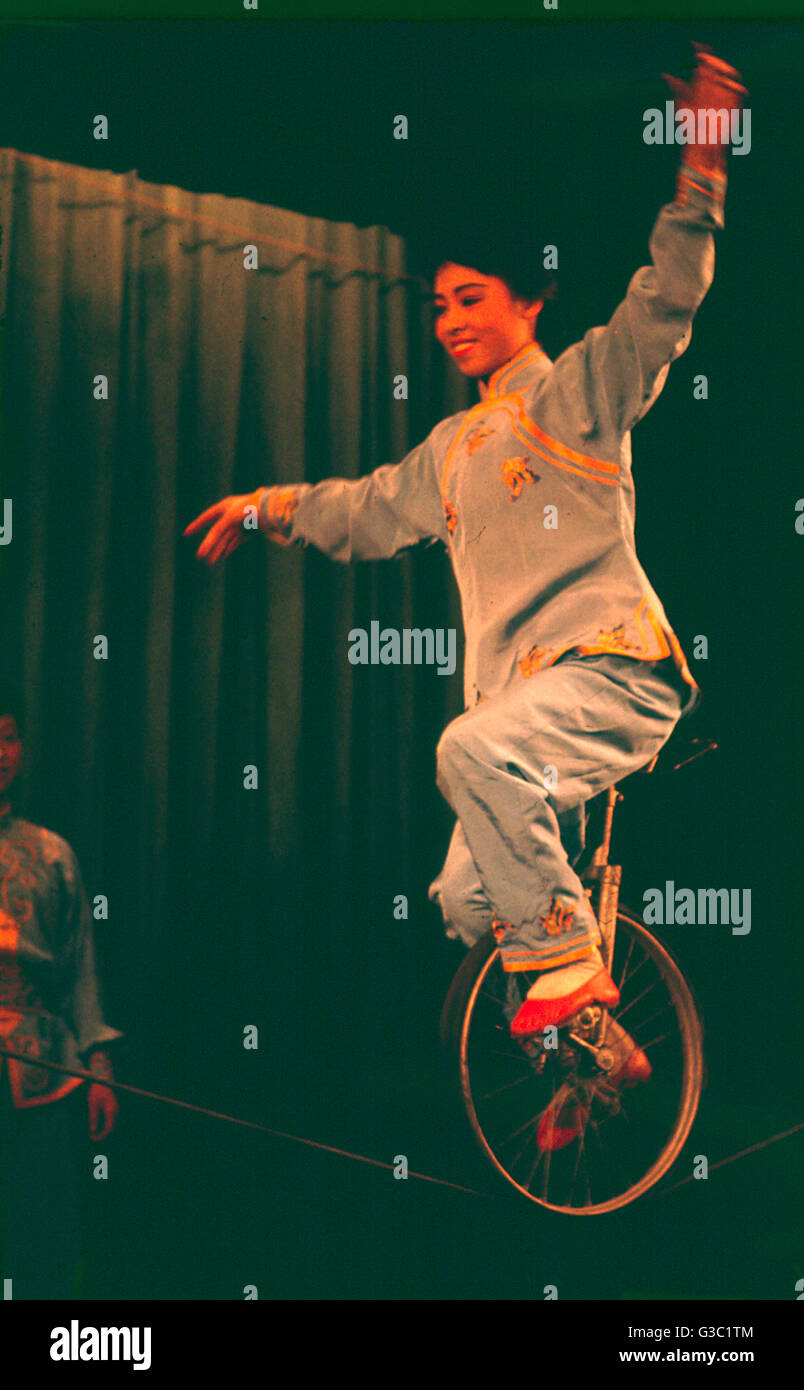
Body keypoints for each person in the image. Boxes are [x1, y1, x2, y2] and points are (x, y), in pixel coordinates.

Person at [185, 46, 745, 1146]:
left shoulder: (576, 392)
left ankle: (579, 996)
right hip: (525, 712)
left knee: (469, 754)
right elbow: (361, 509)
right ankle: (588, 1065)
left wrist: (704, 166)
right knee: (466, 902)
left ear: (528, 297)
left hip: (612, 671)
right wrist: (266, 507)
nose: (447, 320)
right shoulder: (450, 451)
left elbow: (665, 301)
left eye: (470, 297)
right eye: (438, 304)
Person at [0, 683, 122, 1297]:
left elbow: (82, 974)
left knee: (41, 1230)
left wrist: (98, 1068)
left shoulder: (52, 854)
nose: (0, 749)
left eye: (9, 735)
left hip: (42, 1068)